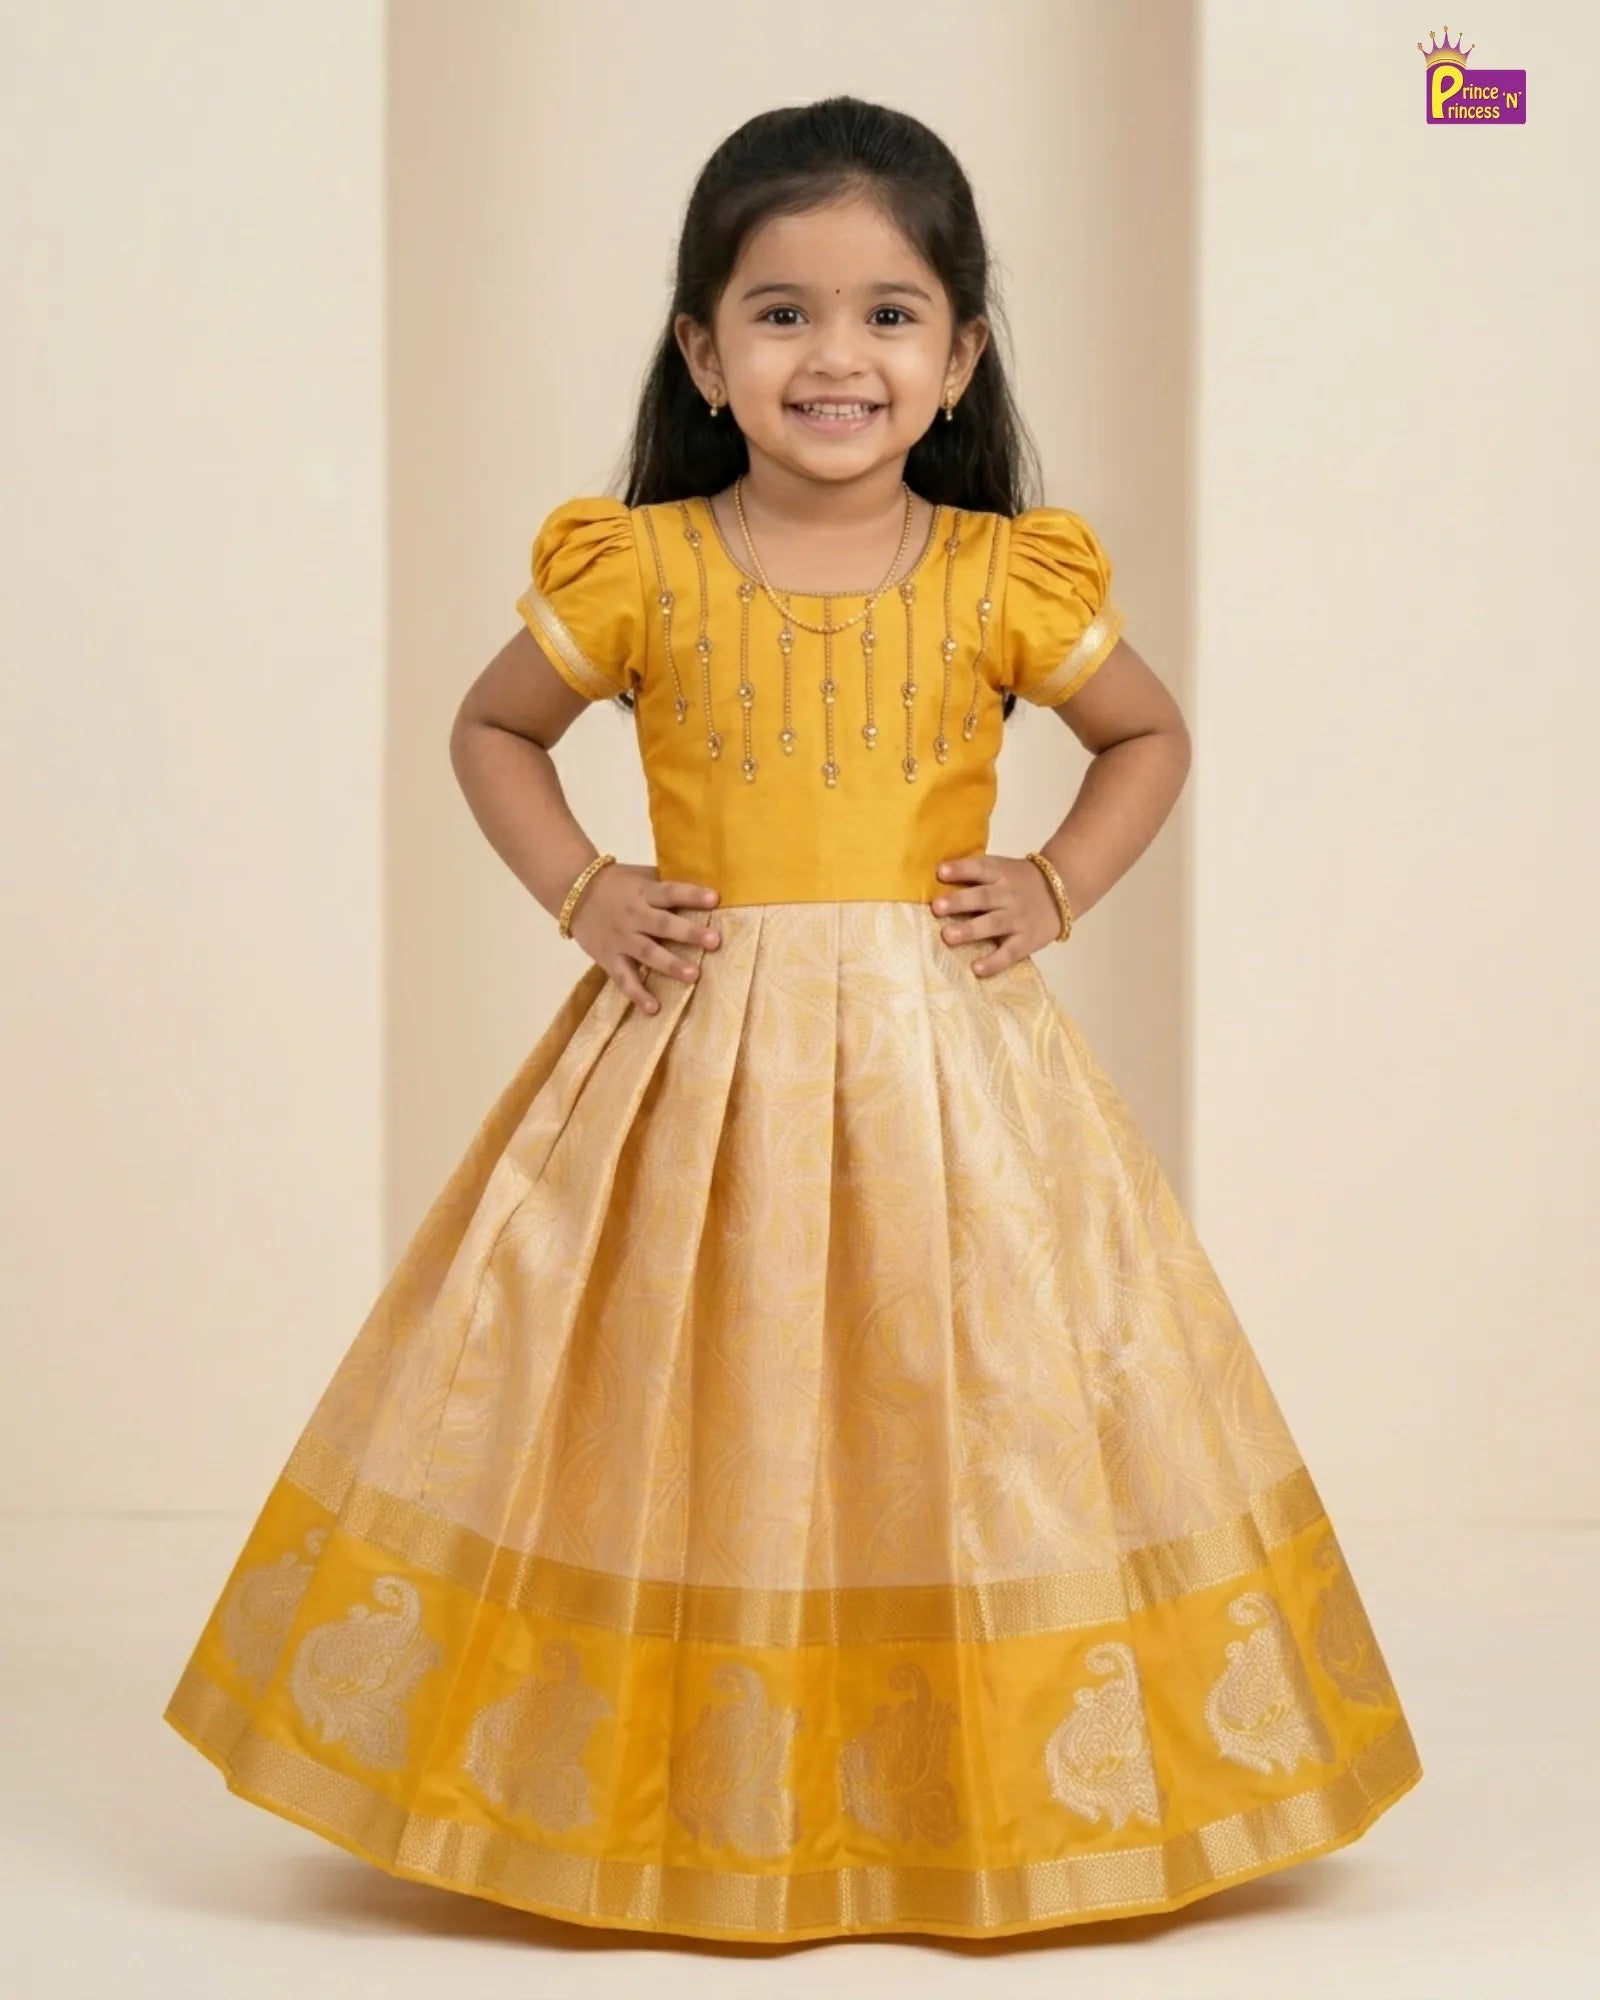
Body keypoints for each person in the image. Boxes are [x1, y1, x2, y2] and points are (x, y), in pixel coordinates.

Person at [162, 94, 1422, 1946]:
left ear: (962, 349)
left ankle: (949, 1789)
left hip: (946, 1075)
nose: (837, 355)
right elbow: (490, 729)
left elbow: (1146, 736)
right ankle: (676, 1796)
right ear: (703, 347)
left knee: (967, 1390)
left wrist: (1057, 881)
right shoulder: (645, 567)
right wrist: (586, 890)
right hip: (697, 1066)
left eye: (891, 314)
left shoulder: (1007, 574)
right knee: (684, 1383)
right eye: (782, 313)